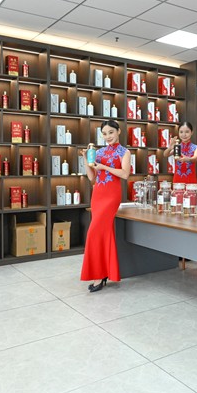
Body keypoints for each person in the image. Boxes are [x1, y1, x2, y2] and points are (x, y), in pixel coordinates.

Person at [80, 119, 131, 292]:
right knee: (103, 233)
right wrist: (86, 160)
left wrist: (104, 167)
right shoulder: (99, 152)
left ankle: (99, 275)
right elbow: (92, 178)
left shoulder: (124, 152)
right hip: (98, 195)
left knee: (94, 232)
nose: (108, 136)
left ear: (118, 132)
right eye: (104, 134)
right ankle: (104, 273)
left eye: (111, 132)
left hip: (111, 196)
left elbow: (124, 174)